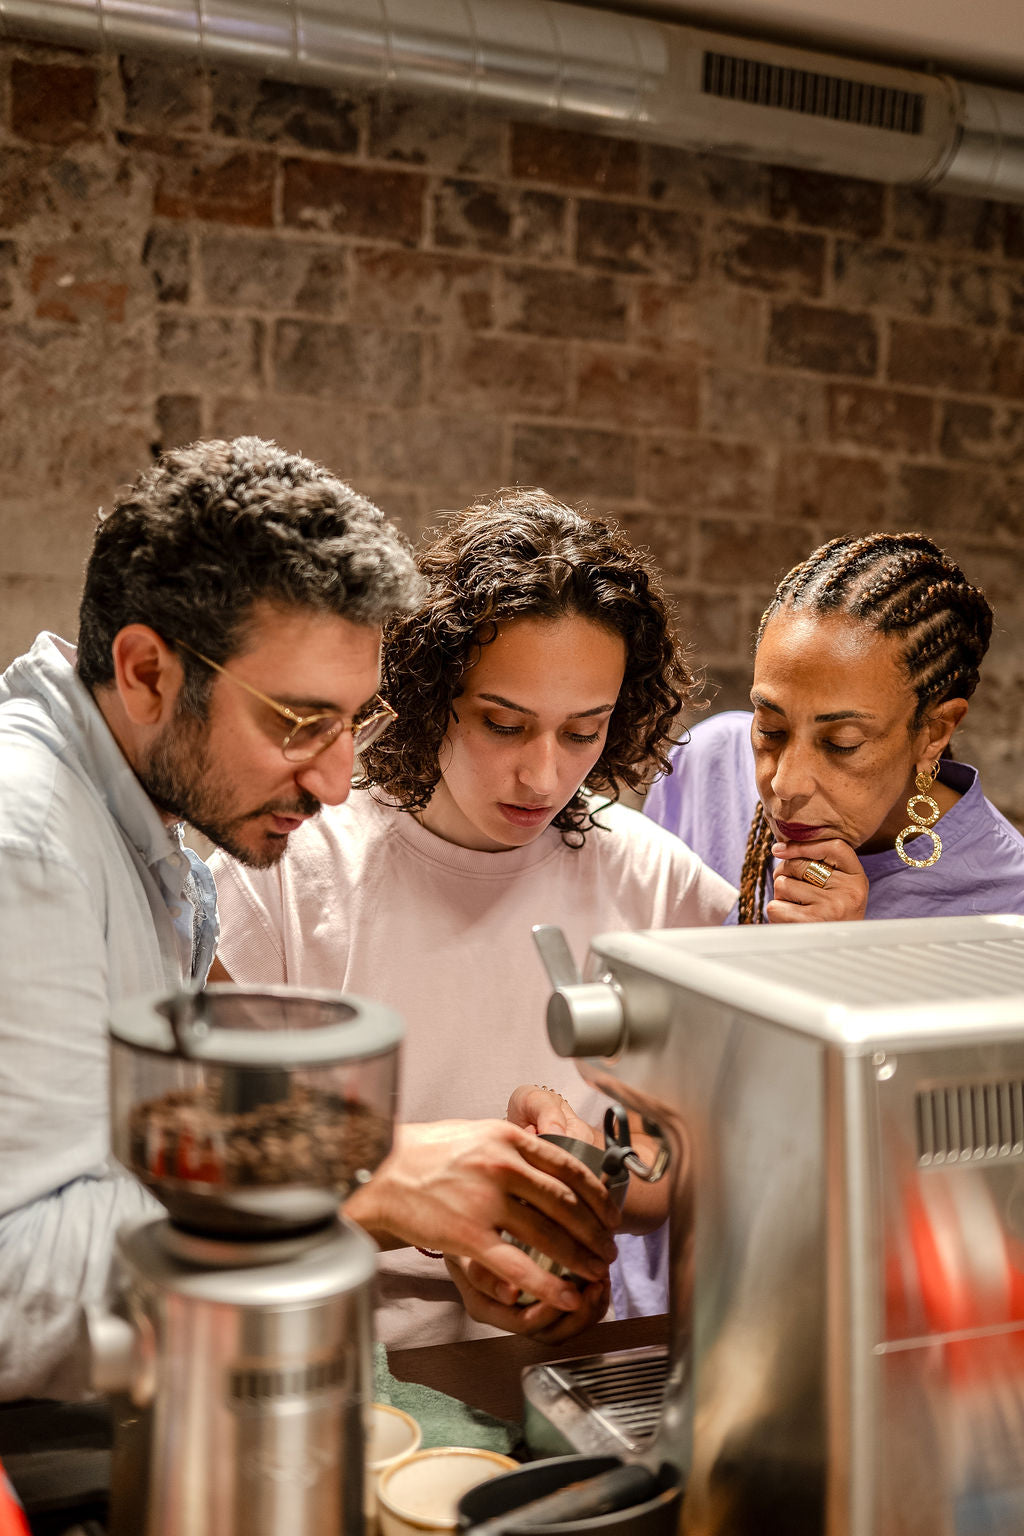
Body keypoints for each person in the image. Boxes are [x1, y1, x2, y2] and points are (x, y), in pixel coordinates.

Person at [0, 440, 619, 1403]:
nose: (335, 781)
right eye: (296, 722)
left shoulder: (139, 826)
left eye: (351, 724)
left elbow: (191, 1138)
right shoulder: (27, 843)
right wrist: (366, 1182)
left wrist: (444, 1209)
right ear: (147, 673)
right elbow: (14, 1281)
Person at [209, 487, 736, 1348]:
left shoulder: (656, 882)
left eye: (582, 732)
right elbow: (218, 1166)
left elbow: (680, 1162)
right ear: (432, 689)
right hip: (334, 1365)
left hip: (561, 1365)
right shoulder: (288, 871)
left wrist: (591, 1185)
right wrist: (431, 1203)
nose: (541, 776)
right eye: (503, 723)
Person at [646, 531, 1024, 923]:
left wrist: (838, 958)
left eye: (841, 744)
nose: (785, 785)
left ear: (934, 732)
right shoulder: (706, 766)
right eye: (771, 729)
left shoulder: (1008, 905)